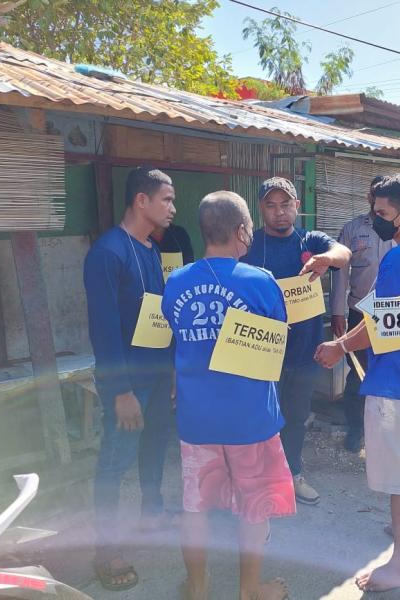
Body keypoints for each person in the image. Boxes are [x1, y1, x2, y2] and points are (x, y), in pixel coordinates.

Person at [162, 191, 295, 600]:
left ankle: (198, 590)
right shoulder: (261, 282)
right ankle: (249, 590)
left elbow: (174, 331)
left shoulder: (177, 281)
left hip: (196, 419)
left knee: (195, 506)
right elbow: (278, 339)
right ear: (241, 231)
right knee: (254, 507)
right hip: (251, 419)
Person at [314, 174, 400, 593]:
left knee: (399, 480)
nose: (375, 219)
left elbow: (380, 323)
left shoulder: (398, 258)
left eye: (381, 213)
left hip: (393, 383)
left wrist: (339, 346)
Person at [83, 166, 177, 591]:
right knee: (115, 461)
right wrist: (121, 391)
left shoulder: (150, 250)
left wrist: (170, 371)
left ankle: (152, 512)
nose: (173, 208)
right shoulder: (108, 253)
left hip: (156, 376)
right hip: (127, 381)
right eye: (167, 200)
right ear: (142, 201)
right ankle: (106, 549)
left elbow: (157, 317)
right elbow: (103, 331)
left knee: (154, 444)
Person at [241, 177, 351, 506]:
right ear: (260, 209)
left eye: (285, 204)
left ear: (297, 207)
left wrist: (327, 259)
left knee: (296, 417)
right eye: (271, 206)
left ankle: (293, 475)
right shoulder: (249, 244)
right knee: (261, 418)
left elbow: (343, 252)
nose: (279, 212)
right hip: (261, 351)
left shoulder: (311, 239)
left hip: (303, 351)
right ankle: (259, 481)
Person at [330, 176, 394, 452]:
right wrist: (337, 311)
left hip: (393, 316)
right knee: (358, 374)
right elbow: (341, 273)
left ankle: (386, 428)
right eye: (374, 193)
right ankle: (356, 428)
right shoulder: (353, 229)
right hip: (359, 314)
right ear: (369, 195)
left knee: (390, 370)